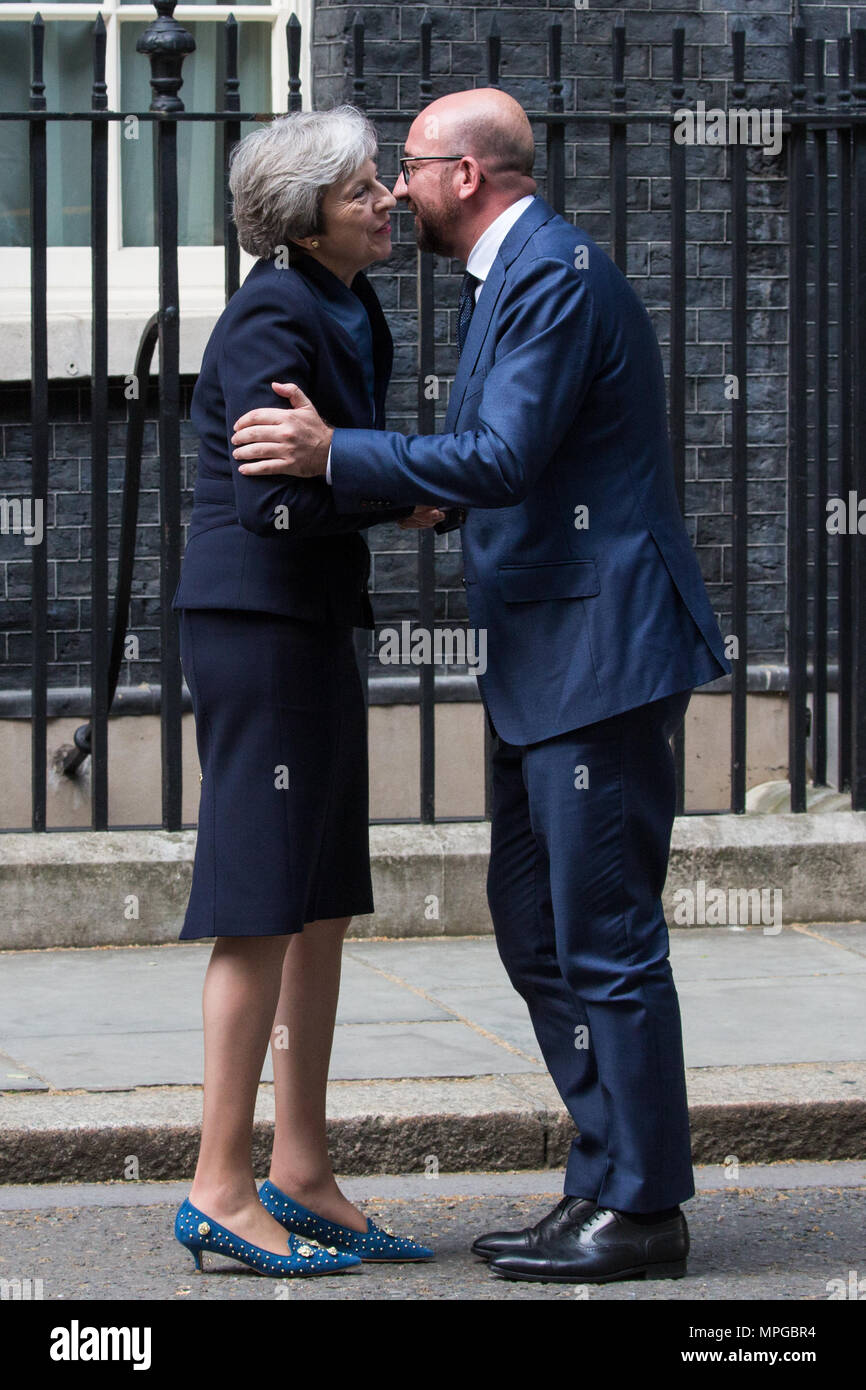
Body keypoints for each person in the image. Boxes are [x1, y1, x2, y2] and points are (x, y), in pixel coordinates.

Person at [230, 88, 731, 1285]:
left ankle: (643, 1205)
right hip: (548, 663)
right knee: (534, 919)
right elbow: (503, 459)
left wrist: (331, 452)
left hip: (596, 658)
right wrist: (415, 486)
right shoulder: (511, 277)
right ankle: (603, 1175)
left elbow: (504, 458)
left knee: (602, 935)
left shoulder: (549, 273)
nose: (393, 191)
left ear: (464, 172)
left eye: (405, 167)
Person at [170, 106, 437, 1278]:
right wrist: (393, 485)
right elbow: (277, 497)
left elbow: (335, 458)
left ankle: (299, 1164)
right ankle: (219, 1183)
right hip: (257, 619)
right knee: (263, 897)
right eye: (363, 188)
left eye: (384, 180)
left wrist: (385, 475)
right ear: (303, 214)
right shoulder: (274, 309)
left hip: (312, 615)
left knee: (320, 896)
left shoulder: (348, 301)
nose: (389, 200)